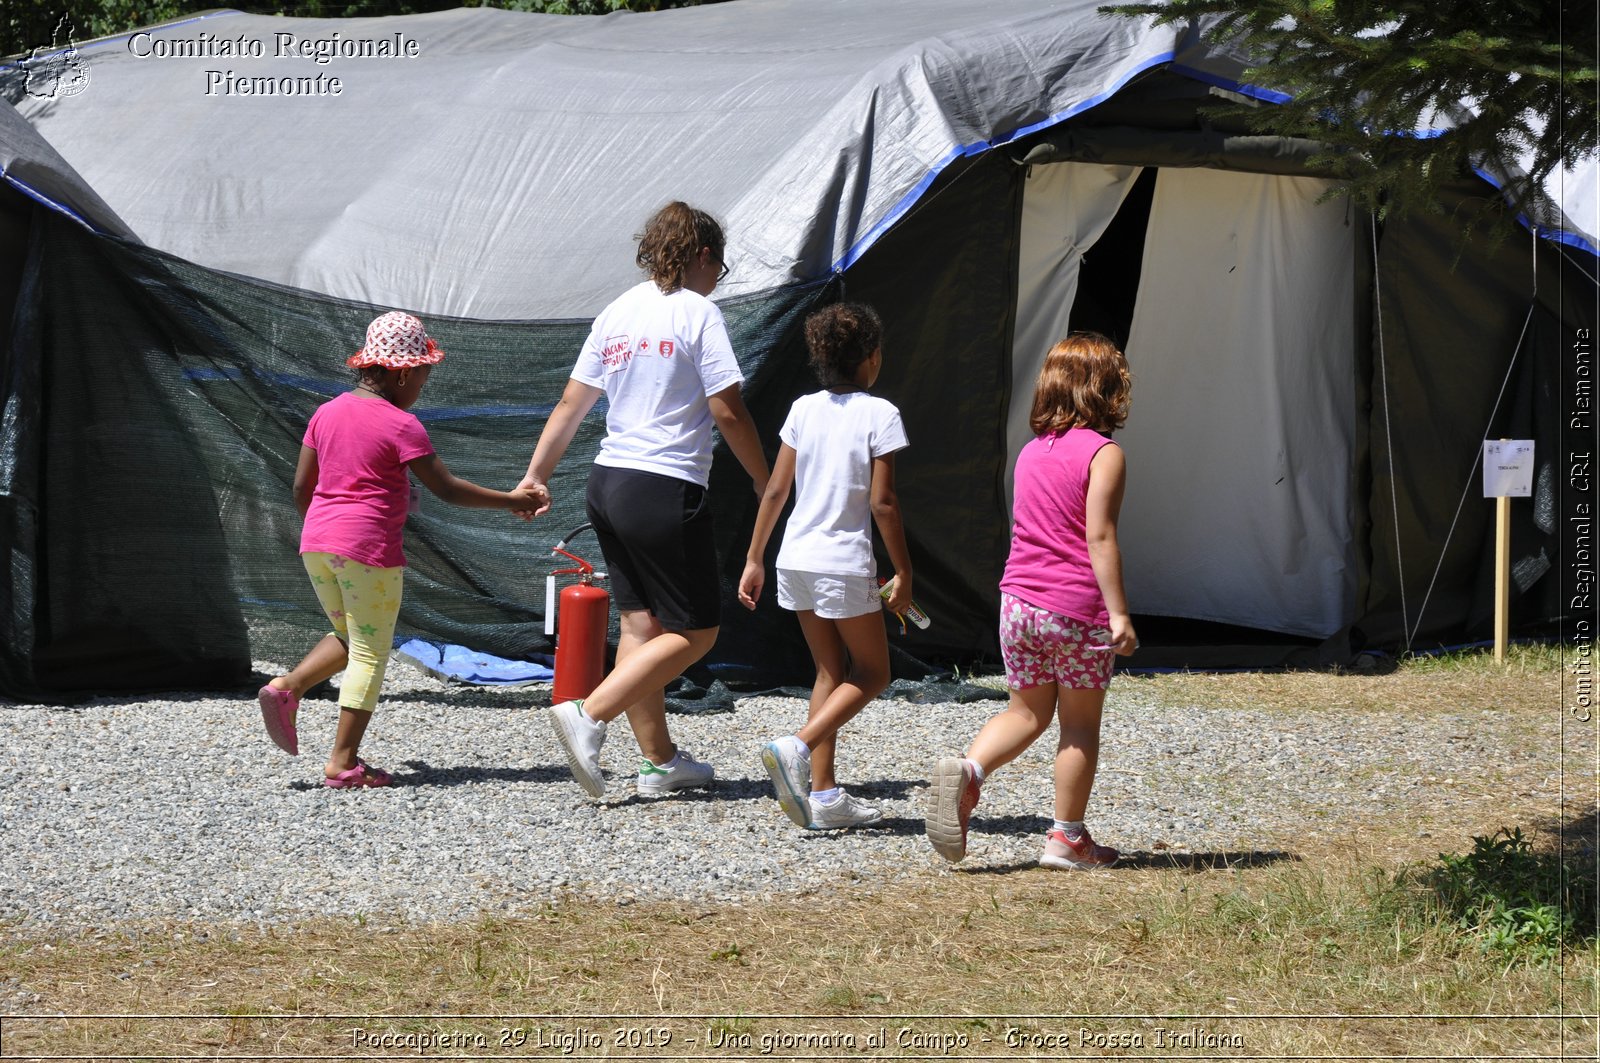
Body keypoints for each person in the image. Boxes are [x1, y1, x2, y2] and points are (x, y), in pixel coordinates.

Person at [518, 201, 770, 798]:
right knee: (699, 631)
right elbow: (727, 410)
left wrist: (535, 475)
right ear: (703, 256)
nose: (718, 280)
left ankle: (659, 762)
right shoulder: (697, 313)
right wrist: (764, 479)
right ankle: (590, 713)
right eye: (721, 266)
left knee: (642, 623)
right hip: (663, 485)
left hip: (608, 483)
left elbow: (570, 405)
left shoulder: (617, 311)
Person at [258, 311, 541, 788]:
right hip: (367, 547)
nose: (423, 386)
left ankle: (288, 688)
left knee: (350, 631)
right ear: (405, 371)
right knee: (372, 649)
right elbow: (447, 489)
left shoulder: (325, 412)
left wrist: (327, 528)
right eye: (424, 375)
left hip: (317, 542)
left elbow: (302, 486)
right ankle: (343, 762)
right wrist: (512, 500)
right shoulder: (400, 424)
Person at [926, 332, 1136, 868]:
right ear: (1109, 389)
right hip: (1075, 608)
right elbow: (1099, 538)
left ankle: (969, 772)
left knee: (1026, 711)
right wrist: (1118, 613)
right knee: (1079, 725)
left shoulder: (1029, 453)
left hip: (1017, 603)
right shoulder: (1104, 454)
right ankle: (1066, 838)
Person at [737, 302, 913, 830]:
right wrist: (904, 571)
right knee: (874, 672)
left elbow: (775, 489)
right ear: (873, 357)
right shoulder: (881, 414)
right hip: (842, 563)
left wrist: (753, 558)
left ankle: (825, 794)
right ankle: (797, 745)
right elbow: (884, 504)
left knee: (829, 671)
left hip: (794, 559)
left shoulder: (802, 409)